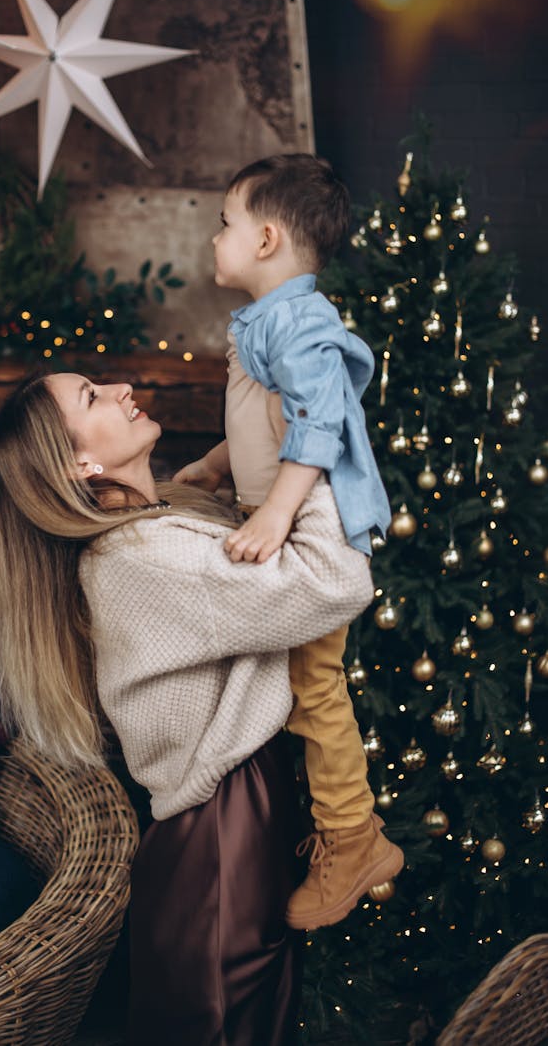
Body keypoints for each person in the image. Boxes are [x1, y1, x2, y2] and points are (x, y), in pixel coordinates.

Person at [0, 367, 374, 1046]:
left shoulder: (144, 528)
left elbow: (217, 561)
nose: (120, 387)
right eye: (93, 397)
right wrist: (311, 452)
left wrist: (230, 470)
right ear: (80, 463)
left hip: (222, 823)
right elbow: (333, 581)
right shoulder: (139, 557)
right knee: (225, 1025)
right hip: (223, 832)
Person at [173, 153, 403, 931]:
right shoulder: (269, 319)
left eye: (226, 224)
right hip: (281, 507)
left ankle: (352, 835)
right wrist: (212, 464)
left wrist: (273, 514)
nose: (215, 239)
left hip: (312, 523)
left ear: (267, 238)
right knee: (297, 680)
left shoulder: (299, 320)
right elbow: (262, 420)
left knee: (315, 686)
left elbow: (320, 422)